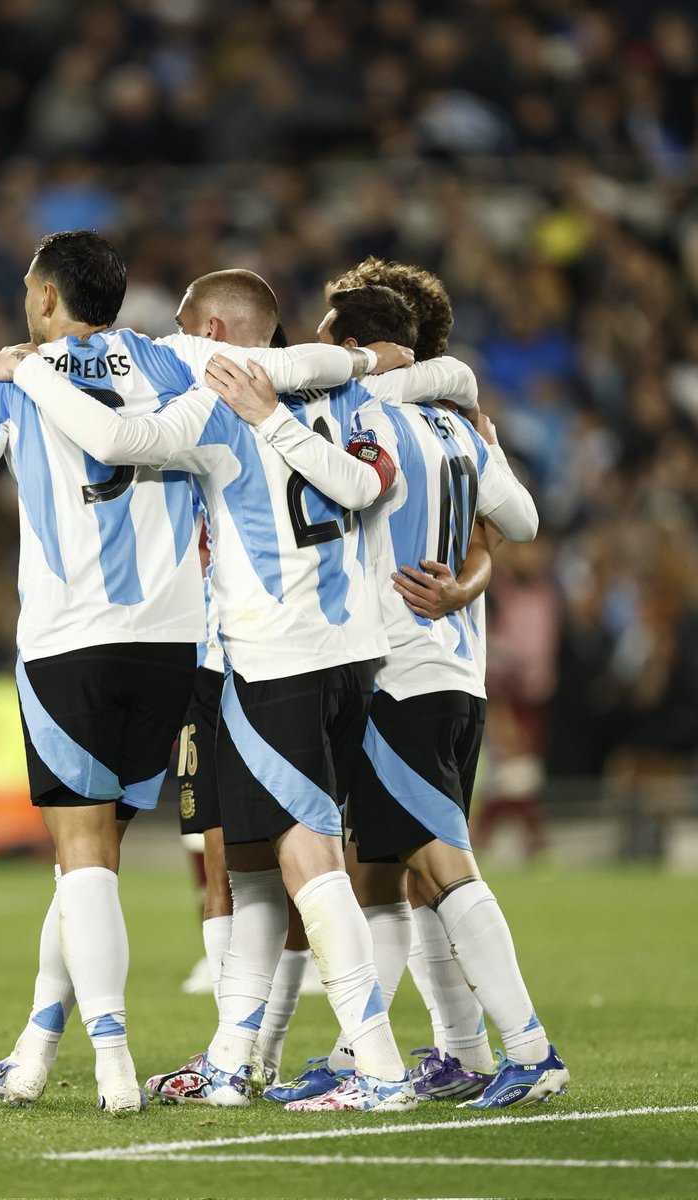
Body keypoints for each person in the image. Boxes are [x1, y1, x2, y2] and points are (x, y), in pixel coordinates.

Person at [0, 232, 411, 1115]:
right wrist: (377, 358)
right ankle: (40, 1044)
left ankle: (115, 1061)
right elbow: (297, 363)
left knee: (86, 860)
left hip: (76, 641)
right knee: (105, 857)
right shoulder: (176, 358)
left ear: (45, 298)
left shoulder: (13, 382)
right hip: (175, 648)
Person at [0, 284, 480, 1113]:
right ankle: (237, 1057)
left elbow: (116, 436)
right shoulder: (350, 399)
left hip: (275, 658)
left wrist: (27, 372)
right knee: (250, 868)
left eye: (183, 336)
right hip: (351, 658)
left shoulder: (215, 409)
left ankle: (380, 1066)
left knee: (308, 862)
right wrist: (376, 363)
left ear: (212, 338)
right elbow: (376, 470)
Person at [227, 266, 569, 1112]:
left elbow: (350, 464)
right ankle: (380, 1055)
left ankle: (531, 1049)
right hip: (459, 673)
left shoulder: (367, 411)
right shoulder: (458, 425)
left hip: (399, 673)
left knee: (441, 867)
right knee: (381, 872)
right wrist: (478, 429)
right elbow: (522, 521)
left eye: (328, 341)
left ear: (354, 348)